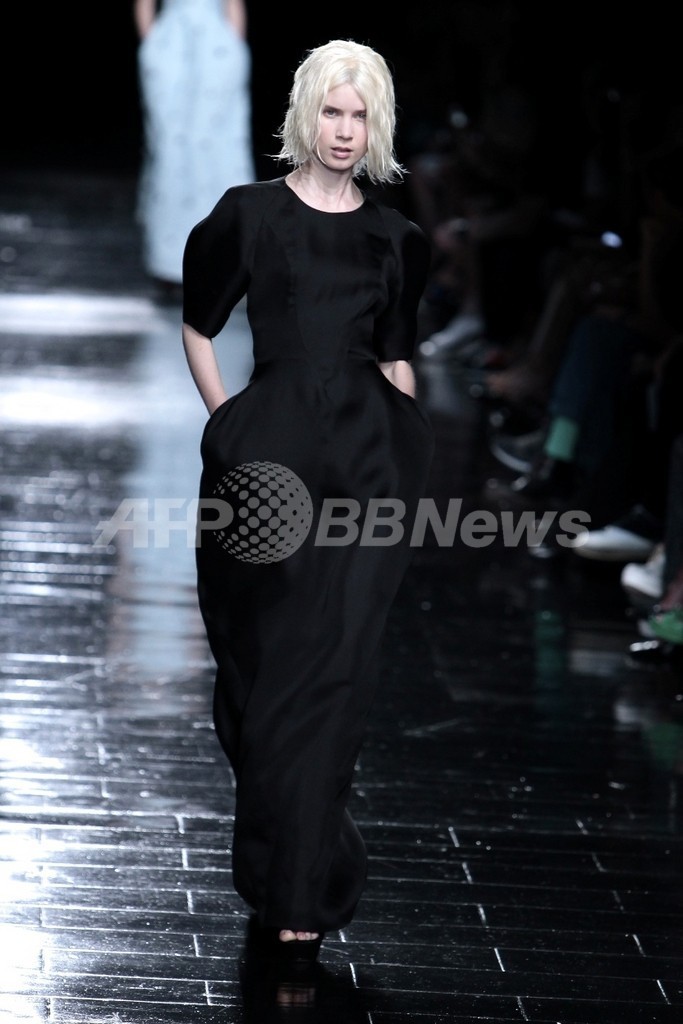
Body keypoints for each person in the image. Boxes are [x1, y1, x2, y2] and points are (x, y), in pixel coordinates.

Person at [181, 40, 434, 962]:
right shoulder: (247, 215)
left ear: (378, 126)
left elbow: (398, 356)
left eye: (360, 115)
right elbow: (198, 323)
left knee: (336, 679)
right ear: (304, 115)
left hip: (370, 470)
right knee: (261, 677)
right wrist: (227, 424)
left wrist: (409, 450)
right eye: (332, 111)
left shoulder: (397, 239)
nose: (344, 130)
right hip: (267, 468)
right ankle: (294, 858)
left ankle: (296, 894)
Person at [133, 0, 254, 300]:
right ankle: (169, 264)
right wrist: (151, 45)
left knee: (219, 150)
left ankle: (223, 263)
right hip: (170, 46)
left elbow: (233, 4)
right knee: (171, 151)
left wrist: (234, 47)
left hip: (217, 48)